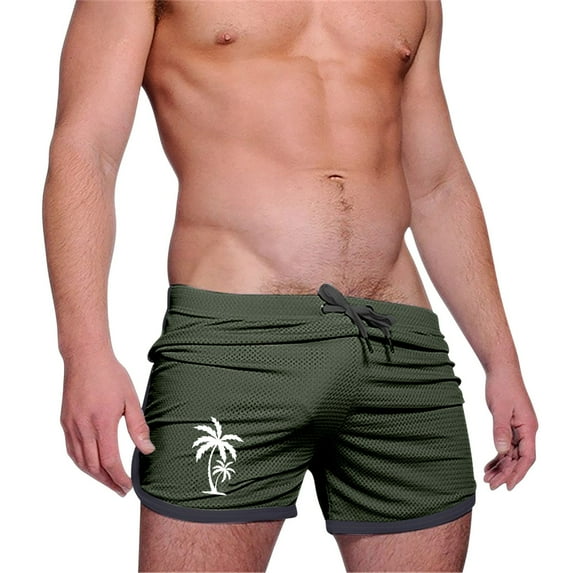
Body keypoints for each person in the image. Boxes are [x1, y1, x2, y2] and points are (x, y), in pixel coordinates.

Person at [42, 1, 538, 571]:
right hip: (234, 349)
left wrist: (502, 362)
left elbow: (437, 182)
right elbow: (87, 150)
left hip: (401, 353)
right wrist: (84, 353)